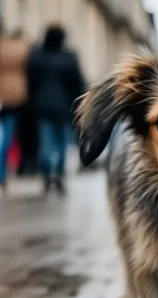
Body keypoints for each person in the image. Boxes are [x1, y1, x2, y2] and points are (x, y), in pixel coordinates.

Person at [27, 24, 85, 195]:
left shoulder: (37, 56)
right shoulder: (69, 57)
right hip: (64, 107)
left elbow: (31, 82)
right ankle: (58, 173)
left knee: (46, 142)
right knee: (61, 144)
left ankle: (47, 173)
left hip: (42, 106)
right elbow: (77, 84)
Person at [0, 24, 29, 196]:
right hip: (14, 98)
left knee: (3, 138)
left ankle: (2, 173)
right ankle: (2, 174)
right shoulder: (23, 49)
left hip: (3, 96)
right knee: (7, 138)